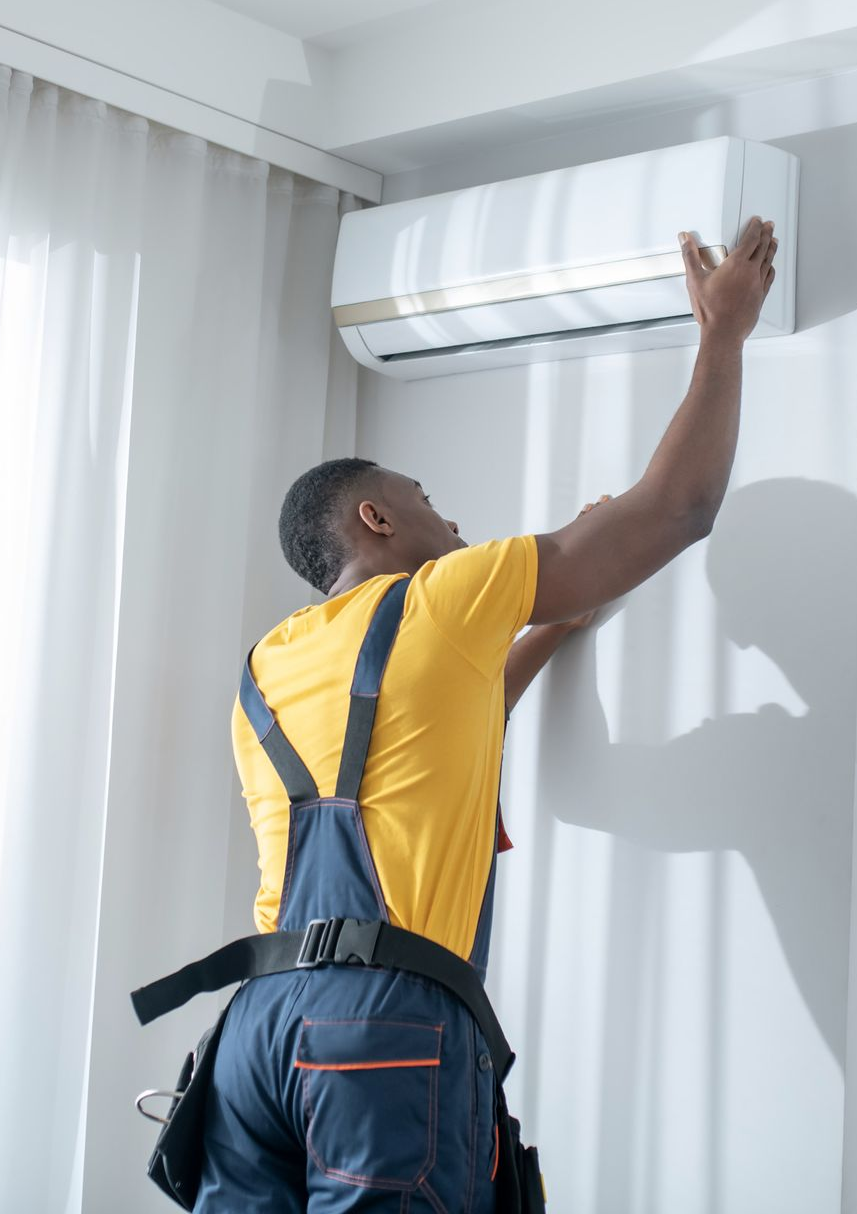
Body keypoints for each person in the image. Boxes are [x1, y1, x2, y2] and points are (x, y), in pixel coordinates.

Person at [194, 219, 778, 1212]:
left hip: (255, 1033)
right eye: (425, 500)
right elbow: (679, 507)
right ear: (375, 519)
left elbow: (432, 732)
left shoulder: (270, 665)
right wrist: (722, 333)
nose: (455, 523)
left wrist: (556, 626)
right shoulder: (443, 594)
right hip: (380, 1030)